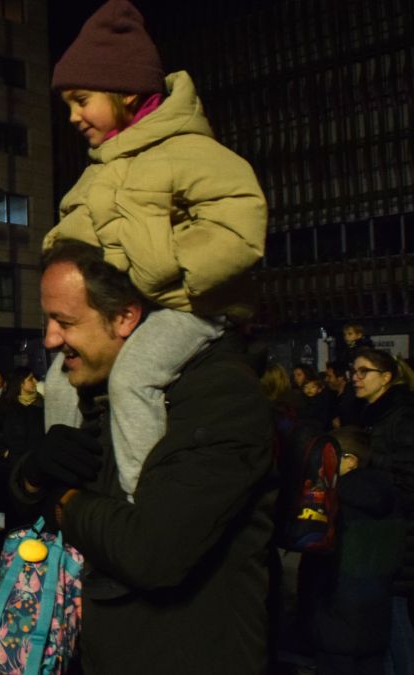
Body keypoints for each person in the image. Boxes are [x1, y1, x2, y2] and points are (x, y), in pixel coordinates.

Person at [13, 239, 274, 673]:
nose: (51, 338)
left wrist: (66, 502)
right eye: (48, 319)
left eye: (66, 321)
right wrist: (33, 475)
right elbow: (23, 496)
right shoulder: (94, 390)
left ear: (125, 317)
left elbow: (153, 551)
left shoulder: (220, 395)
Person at [47, 0, 267, 504]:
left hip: (192, 307)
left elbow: (239, 230)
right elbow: (72, 234)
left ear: (124, 91)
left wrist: (167, 274)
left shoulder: (193, 152)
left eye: (81, 100)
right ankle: (64, 492)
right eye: (67, 107)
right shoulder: (100, 169)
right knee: (60, 379)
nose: (74, 117)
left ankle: (144, 499)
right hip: (133, 309)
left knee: (133, 376)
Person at [350, 348, 414, 675]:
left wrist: (369, 488)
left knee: (394, 616)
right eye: (352, 371)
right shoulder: (370, 415)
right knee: (381, 620)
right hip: (377, 531)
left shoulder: (401, 417)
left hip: (395, 532)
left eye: (363, 372)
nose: (354, 378)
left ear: (385, 378)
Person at [303, 427, 404, 675]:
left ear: (351, 461)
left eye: (330, 456)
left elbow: (317, 567)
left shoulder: (337, 503)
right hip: (375, 621)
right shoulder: (391, 498)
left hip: (333, 621)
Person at [0, 366, 45, 528]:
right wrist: (4, 452)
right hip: (11, 467)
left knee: (36, 515)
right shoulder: (6, 405)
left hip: (36, 468)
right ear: (20, 383)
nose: (34, 382)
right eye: (30, 379)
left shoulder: (41, 404)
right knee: (14, 518)